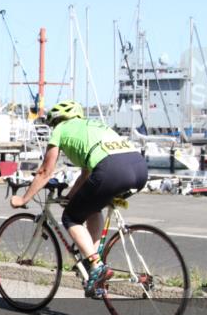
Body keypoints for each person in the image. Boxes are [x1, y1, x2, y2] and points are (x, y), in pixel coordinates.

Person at [10, 100, 148, 297]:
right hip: (139, 168)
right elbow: (85, 175)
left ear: (57, 121)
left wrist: (23, 200)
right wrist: (70, 196)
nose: (54, 128)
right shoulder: (93, 125)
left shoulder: (61, 129)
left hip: (111, 170)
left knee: (70, 218)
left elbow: (45, 171)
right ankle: (93, 262)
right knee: (92, 207)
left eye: (53, 124)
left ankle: (97, 266)